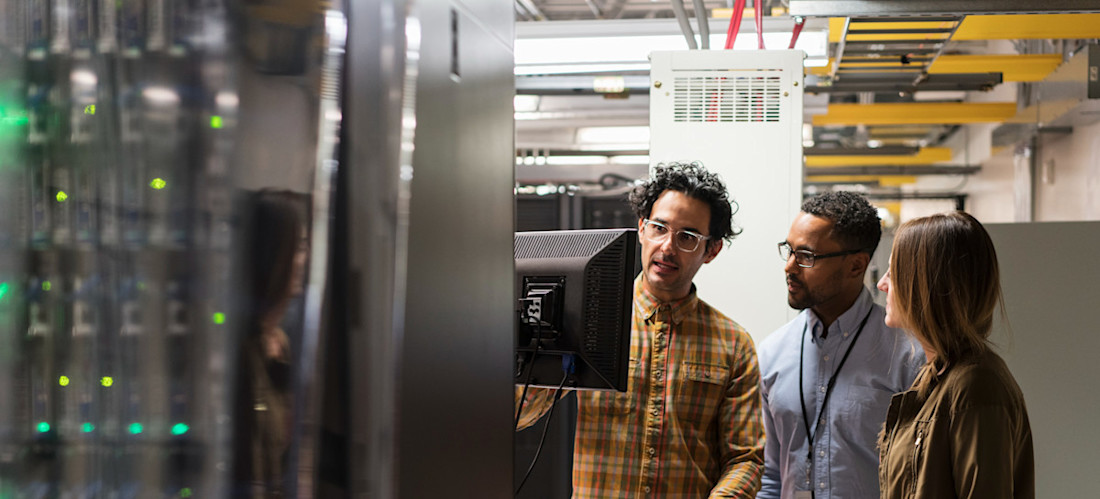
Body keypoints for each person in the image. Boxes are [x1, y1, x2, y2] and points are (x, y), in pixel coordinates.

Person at [516, 162, 764, 498]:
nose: (668, 247)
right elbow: (520, 415)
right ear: (642, 229)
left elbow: (745, 458)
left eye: (687, 237)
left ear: (712, 250)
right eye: (659, 228)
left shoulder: (733, 344)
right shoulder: (592, 320)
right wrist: (526, 342)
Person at [757, 191, 924, 499]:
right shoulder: (771, 354)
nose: (789, 267)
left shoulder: (909, 357)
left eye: (806, 256)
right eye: (789, 251)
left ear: (856, 266)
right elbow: (770, 476)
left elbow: (922, 477)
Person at [876, 211, 1034, 499]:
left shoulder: (975, 386)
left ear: (924, 286)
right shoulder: (937, 376)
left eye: (893, 272)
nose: (882, 284)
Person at [232, 189, 310, 497]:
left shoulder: (280, 343)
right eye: (300, 247)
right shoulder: (243, 351)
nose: (304, 260)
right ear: (278, 256)